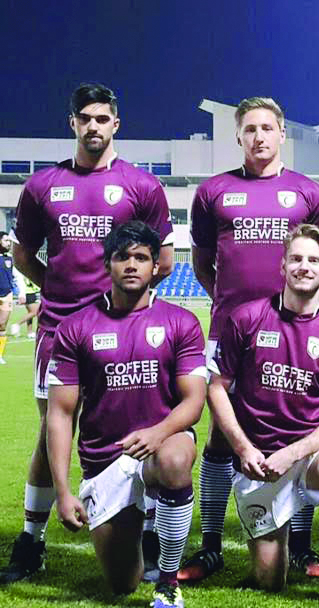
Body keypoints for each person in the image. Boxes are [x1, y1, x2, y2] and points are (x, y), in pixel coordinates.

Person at [2, 83, 174, 584]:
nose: (94, 126)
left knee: (135, 425)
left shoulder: (142, 186)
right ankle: (32, 540)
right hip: (58, 329)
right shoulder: (41, 186)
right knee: (49, 432)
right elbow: (22, 255)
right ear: (72, 123)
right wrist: (57, 290)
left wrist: (122, 302)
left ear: (116, 124)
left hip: (126, 327)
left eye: (103, 118)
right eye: (85, 118)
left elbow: (162, 260)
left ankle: (145, 530)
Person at [181, 96, 319, 582]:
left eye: (267, 128)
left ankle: (302, 546)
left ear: (281, 133)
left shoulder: (309, 193)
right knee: (219, 438)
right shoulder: (213, 192)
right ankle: (209, 546)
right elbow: (203, 263)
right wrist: (232, 304)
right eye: (250, 129)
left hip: (295, 334)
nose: (259, 137)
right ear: (239, 136)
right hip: (230, 330)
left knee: (302, 433)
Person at [205, 224, 319, 607]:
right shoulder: (247, 318)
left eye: (314, 260)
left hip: (309, 456)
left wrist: (293, 453)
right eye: (296, 258)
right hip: (260, 461)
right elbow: (216, 388)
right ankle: (274, 548)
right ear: (282, 267)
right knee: (269, 581)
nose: (304, 266)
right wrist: (244, 449)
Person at [45, 221, 206, 608]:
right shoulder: (76, 327)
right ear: (108, 265)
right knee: (123, 583)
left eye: (141, 257)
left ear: (155, 267)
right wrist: (63, 492)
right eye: (122, 257)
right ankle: (144, 522)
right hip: (105, 460)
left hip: (160, 443)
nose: (131, 265)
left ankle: (168, 581)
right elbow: (60, 414)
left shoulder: (181, 322)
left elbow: (194, 401)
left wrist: (158, 432)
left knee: (174, 458)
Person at [0, 231, 17, 364]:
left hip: (6, 294)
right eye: (6, 240)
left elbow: (13, 277)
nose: (8, 243)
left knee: (2, 325)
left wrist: (19, 292)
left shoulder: (9, 258)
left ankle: (0, 355)